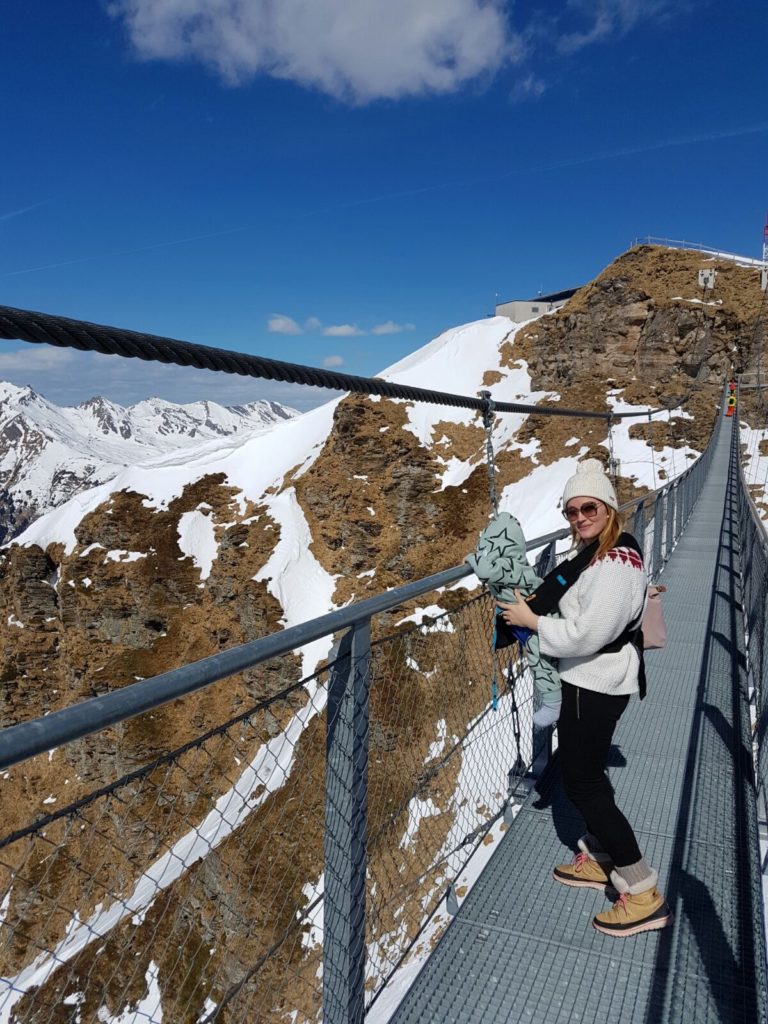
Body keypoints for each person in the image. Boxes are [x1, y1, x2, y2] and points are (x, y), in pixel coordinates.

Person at [497, 458, 671, 937]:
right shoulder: (604, 550)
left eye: (588, 507)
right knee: (584, 773)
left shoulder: (613, 563)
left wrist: (532, 622)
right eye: (571, 511)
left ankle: (641, 891)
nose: (579, 518)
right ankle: (599, 855)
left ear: (609, 507)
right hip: (590, 680)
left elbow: (587, 633)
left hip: (595, 681)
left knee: (584, 783)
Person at [466, 511, 563, 726]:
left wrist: (473, 558)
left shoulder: (506, 565)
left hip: (536, 616)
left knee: (540, 660)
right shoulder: (512, 562)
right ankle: (556, 698)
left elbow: (485, 572)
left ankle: (553, 703)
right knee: (539, 657)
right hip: (531, 615)